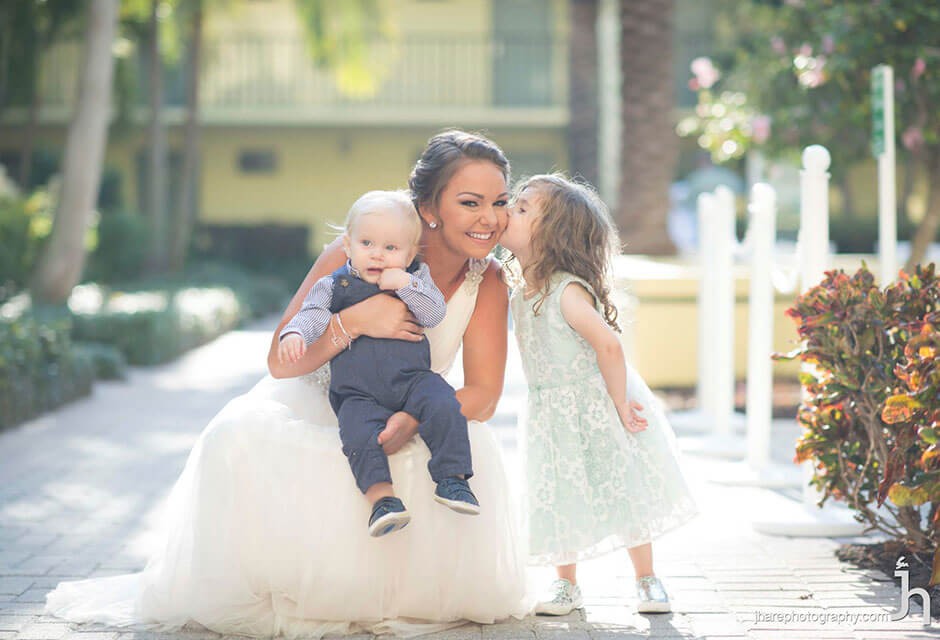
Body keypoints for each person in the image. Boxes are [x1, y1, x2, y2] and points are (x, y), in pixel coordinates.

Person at [45, 131, 532, 637]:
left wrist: (412, 421)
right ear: (429, 208)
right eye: (470, 203)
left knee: (464, 440)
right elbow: (280, 360)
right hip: (332, 398)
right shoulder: (359, 250)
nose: (490, 218)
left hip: (415, 404)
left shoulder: (486, 279)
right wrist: (354, 322)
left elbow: (484, 395)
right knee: (236, 433)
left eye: (500, 202)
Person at [500, 173, 699, 616]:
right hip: (550, 411)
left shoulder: (565, 290)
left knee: (622, 485)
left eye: (522, 208)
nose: (508, 211)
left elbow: (608, 345)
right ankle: (566, 584)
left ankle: (647, 578)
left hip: (593, 404)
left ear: (551, 234)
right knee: (557, 491)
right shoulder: (520, 289)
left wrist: (620, 403)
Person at [278, 189, 479, 537]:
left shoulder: (416, 277)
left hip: (413, 381)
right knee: (357, 434)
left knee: (444, 402)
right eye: (367, 243)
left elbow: (434, 314)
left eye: (391, 248)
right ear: (348, 245)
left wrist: (407, 284)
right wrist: (295, 333)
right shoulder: (334, 285)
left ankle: (453, 479)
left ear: (410, 253)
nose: (377, 254)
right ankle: (382, 500)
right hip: (357, 391)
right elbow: (311, 314)